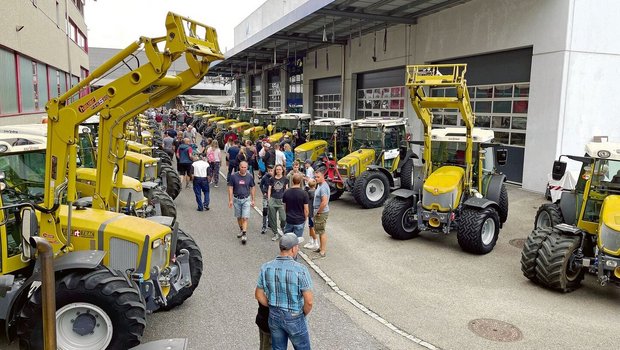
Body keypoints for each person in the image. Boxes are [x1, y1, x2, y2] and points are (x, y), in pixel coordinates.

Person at [255, 233, 313, 350]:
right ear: (293, 248)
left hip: (274, 316)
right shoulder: (300, 270)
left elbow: (258, 294)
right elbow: (309, 301)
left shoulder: (266, 267)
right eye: (297, 246)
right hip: (295, 316)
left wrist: (272, 305)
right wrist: (302, 314)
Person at [227, 161, 256, 244]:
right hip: (236, 199)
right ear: (239, 167)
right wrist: (230, 200)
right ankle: (241, 229)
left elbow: (253, 187)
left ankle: (244, 234)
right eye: (242, 167)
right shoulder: (233, 176)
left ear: (247, 168)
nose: (243, 169)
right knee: (239, 217)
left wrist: (253, 200)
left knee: (245, 217)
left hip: (246, 199)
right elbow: (230, 187)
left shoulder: (249, 176)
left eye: (245, 167)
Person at [282, 173, 309, 241]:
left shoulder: (286, 192)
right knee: (297, 240)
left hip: (289, 219)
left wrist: (287, 214)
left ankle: (287, 251)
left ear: (292, 181)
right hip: (299, 220)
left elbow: (285, 206)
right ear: (300, 181)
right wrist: (305, 218)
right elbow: (306, 209)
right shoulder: (304, 193)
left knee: (287, 239)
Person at [267, 164, 288, 241]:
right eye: (277, 169)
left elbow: (286, 189)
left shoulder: (285, 179)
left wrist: (286, 199)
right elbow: (269, 189)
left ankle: (283, 227)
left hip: (281, 200)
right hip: (273, 199)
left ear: (282, 170)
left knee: (283, 218)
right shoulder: (272, 179)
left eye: (280, 169)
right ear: (275, 170)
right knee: (272, 218)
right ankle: (275, 233)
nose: (278, 171)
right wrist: (269, 199)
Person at [312, 170, 330, 258]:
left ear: (323, 176)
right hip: (318, 211)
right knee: (319, 230)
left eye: (318, 177)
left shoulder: (323, 187)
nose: (316, 178)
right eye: (315, 177)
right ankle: (320, 247)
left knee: (321, 231)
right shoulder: (320, 185)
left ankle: (323, 251)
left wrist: (319, 212)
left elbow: (324, 202)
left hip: (321, 212)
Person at [303, 179, 319, 250]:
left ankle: (315, 242)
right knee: (310, 226)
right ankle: (311, 240)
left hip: (311, 212)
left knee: (312, 227)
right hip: (311, 212)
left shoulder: (310, 192)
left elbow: (305, 193)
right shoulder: (316, 191)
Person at [259, 165, 274, 235]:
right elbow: (261, 185)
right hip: (266, 196)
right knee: (265, 211)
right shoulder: (265, 177)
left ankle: (270, 224)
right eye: (269, 171)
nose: (270, 172)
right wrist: (263, 192)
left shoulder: (275, 178)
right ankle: (264, 226)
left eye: (272, 170)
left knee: (271, 210)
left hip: (273, 196)